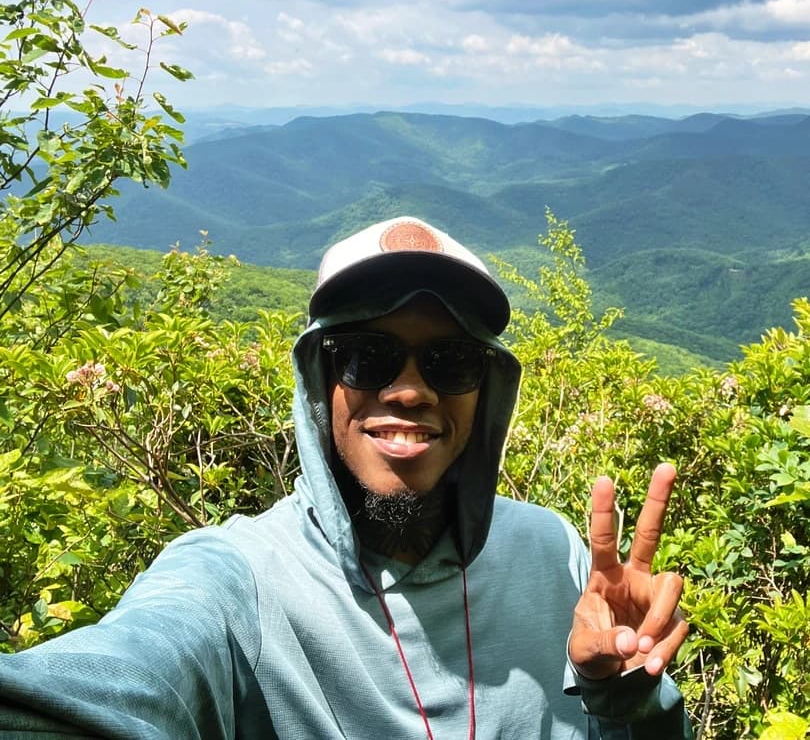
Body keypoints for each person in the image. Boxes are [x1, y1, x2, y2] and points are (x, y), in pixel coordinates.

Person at [0, 216, 691, 739]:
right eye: (368, 357)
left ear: (485, 394)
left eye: (450, 361)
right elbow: (104, 684)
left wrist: (628, 693)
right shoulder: (236, 583)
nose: (411, 391)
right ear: (320, 382)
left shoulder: (554, 552)